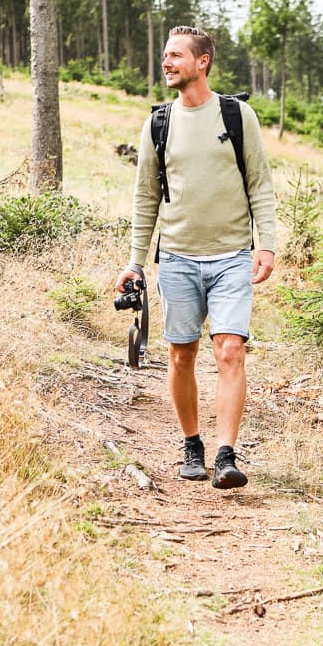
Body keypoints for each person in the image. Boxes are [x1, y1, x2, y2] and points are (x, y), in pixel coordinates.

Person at [115, 26, 276, 489]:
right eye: (165, 55)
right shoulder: (157, 124)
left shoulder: (237, 115)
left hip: (231, 257)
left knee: (230, 350)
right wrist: (135, 261)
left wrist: (265, 244)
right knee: (181, 355)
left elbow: (261, 184)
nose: (166, 63)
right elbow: (145, 197)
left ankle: (226, 455)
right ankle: (193, 444)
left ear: (202, 62)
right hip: (179, 258)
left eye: (176, 55)